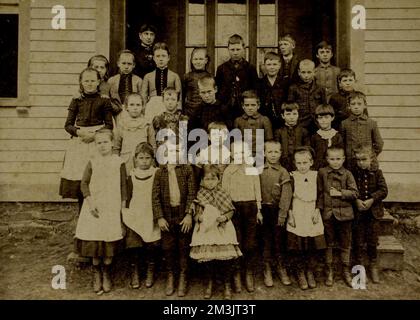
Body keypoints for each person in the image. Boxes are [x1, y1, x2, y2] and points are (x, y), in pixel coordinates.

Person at [74, 129, 127, 294]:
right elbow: (84, 184)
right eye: (99, 143)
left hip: (112, 206)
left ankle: (107, 273)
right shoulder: (92, 161)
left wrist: (122, 209)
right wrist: (90, 202)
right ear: (95, 145)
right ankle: (97, 272)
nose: (102, 146)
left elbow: (124, 187)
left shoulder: (119, 162)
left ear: (112, 143)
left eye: (105, 142)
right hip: (94, 206)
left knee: (109, 238)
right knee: (95, 240)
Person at [59, 68, 113, 213]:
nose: (89, 84)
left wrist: (95, 135)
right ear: (81, 83)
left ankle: (98, 214)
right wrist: (78, 132)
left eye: (92, 81)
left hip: (98, 142)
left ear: (98, 82)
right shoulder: (76, 100)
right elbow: (68, 125)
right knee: (80, 180)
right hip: (80, 142)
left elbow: (109, 125)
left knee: (97, 179)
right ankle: (83, 217)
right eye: (86, 81)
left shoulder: (104, 101)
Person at [190, 165, 242, 300]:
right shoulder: (200, 195)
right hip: (207, 229)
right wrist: (199, 218)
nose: (210, 182)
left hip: (221, 228)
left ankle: (226, 284)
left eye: (213, 179)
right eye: (207, 179)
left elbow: (230, 210)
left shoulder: (223, 193)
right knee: (209, 259)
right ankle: (210, 282)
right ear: (202, 181)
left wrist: (224, 217)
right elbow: (195, 213)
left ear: (219, 180)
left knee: (225, 259)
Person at [152, 142, 197, 297]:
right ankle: (171, 275)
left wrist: (189, 214)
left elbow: (192, 194)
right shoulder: (160, 172)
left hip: (183, 214)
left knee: (184, 245)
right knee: (168, 246)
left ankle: (184, 276)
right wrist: (159, 217)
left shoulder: (187, 170)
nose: (174, 154)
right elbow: (155, 197)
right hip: (167, 215)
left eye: (177, 150)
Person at [222, 141, 263, 293]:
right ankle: (237, 274)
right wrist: (226, 211)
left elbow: (257, 189)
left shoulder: (251, 169)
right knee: (236, 241)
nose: (240, 156)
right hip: (234, 208)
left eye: (243, 153)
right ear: (231, 154)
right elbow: (224, 193)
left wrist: (259, 209)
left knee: (250, 242)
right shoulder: (228, 171)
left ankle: (248, 272)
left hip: (251, 207)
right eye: (237, 153)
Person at [316, 147, 358, 287]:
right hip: (328, 214)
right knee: (329, 243)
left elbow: (354, 193)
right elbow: (320, 192)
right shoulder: (322, 173)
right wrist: (319, 210)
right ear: (327, 159)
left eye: (338, 159)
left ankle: (345, 270)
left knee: (345, 243)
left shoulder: (347, 174)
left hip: (345, 216)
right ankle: (329, 270)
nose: (335, 162)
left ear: (344, 159)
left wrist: (340, 193)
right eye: (332, 159)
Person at [287, 147, 326, 290]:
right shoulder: (292, 176)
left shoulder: (317, 175)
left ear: (311, 162)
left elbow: (321, 194)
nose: (302, 166)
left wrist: (317, 211)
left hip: (311, 211)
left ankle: (310, 271)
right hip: (297, 210)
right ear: (295, 163)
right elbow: (288, 197)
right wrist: (290, 214)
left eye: (305, 162)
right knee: (298, 244)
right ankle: (300, 272)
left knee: (311, 243)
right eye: (299, 163)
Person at [123, 142, 160, 289]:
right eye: (141, 158)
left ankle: (151, 270)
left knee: (152, 243)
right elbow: (128, 195)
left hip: (151, 212)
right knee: (134, 243)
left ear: (152, 159)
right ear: (135, 159)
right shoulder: (132, 175)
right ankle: (135, 271)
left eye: (147, 158)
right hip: (136, 212)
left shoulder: (156, 173)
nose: (144, 161)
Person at [351, 145, 388, 284]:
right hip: (359, 214)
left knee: (372, 241)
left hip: (373, 214)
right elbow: (350, 189)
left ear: (371, 159)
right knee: (358, 242)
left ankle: (373, 266)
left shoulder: (377, 173)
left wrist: (372, 199)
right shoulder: (353, 174)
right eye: (358, 160)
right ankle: (359, 272)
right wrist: (356, 200)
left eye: (364, 159)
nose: (361, 162)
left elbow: (384, 191)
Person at [260, 140, 292, 287]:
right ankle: (267, 269)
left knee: (279, 240)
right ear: (264, 153)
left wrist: (283, 214)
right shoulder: (258, 169)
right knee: (265, 240)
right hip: (262, 211)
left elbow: (286, 195)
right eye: (270, 152)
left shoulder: (283, 172)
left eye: (276, 152)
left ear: (281, 153)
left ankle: (281, 268)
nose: (273, 155)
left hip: (277, 211)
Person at [215, 34, 258, 123]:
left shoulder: (250, 68)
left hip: (244, 109)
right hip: (226, 109)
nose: (235, 52)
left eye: (238, 49)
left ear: (243, 49)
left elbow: (255, 89)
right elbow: (218, 89)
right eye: (232, 50)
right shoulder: (221, 68)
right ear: (228, 49)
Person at [113, 93, 156, 174]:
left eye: (138, 105)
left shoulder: (147, 123)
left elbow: (153, 146)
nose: (135, 108)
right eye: (132, 105)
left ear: (143, 107)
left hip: (144, 162)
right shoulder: (121, 123)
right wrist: (116, 164)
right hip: (126, 161)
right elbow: (116, 147)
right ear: (126, 107)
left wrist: (152, 163)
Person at [340, 91, 384, 170]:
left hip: (368, 163)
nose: (356, 107)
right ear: (349, 106)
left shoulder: (371, 123)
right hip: (350, 163)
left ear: (365, 105)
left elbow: (379, 144)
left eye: (359, 104)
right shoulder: (344, 124)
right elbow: (342, 144)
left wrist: (370, 155)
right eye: (353, 104)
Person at [141, 42, 182, 122]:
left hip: (169, 106)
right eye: (158, 56)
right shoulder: (148, 76)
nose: (161, 59)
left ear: (168, 57)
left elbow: (179, 95)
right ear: (153, 58)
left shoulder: (174, 76)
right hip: (152, 106)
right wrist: (143, 110)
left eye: (163, 56)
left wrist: (178, 110)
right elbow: (144, 96)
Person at [288, 59, 326, 133]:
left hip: (317, 123)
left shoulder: (320, 88)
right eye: (303, 72)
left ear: (314, 72)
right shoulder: (293, 88)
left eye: (309, 72)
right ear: (299, 72)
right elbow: (291, 107)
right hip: (300, 123)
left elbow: (323, 107)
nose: (306, 75)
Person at [233, 90, 273, 157]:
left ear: (258, 105)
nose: (250, 108)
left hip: (260, 155)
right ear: (243, 106)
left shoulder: (264, 120)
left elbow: (269, 141)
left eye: (253, 105)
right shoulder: (238, 121)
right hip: (243, 155)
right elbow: (236, 142)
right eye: (247, 105)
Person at [274, 102, 310, 172]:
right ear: (282, 116)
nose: (291, 117)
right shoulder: (278, 132)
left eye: (294, 114)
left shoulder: (303, 131)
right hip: (282, 163)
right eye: (288, 114)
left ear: (298, 115)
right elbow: (276, 149)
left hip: (299, 164)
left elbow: (306, 148)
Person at [107, 50, 143, 118]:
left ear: (133, 65)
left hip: (134, 111)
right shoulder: (112, 80)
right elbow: (109, 98)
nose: (126, 66)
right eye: (123, 63)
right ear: (118, 64)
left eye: (129, 64)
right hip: (117, 111)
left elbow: (141, 98)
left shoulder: (138, 80)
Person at [183, 48, 212, 128]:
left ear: (206, 60)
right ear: (191, 61)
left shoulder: (210, 76)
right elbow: (182, 96)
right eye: (195, 59)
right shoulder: (187, 77)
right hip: (190, 112)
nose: (198, 62)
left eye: (201, 59)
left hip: (205, 112)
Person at [258, 51, 288, 128]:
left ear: (280, 65)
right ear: (264, 66)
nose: (272, 67)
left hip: (282, 120)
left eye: (275, 64)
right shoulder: (259, 83)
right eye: (269, 64)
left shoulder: (285, 83)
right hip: (263, 120)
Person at [310, 104, 344, 170]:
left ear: (332, 118)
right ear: (317, 119)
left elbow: (340, 153)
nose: (323, 120)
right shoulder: (315, 137)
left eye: (326, 117)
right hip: (318, 168)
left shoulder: (337, 136)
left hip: (334, 168)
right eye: (320, 118)